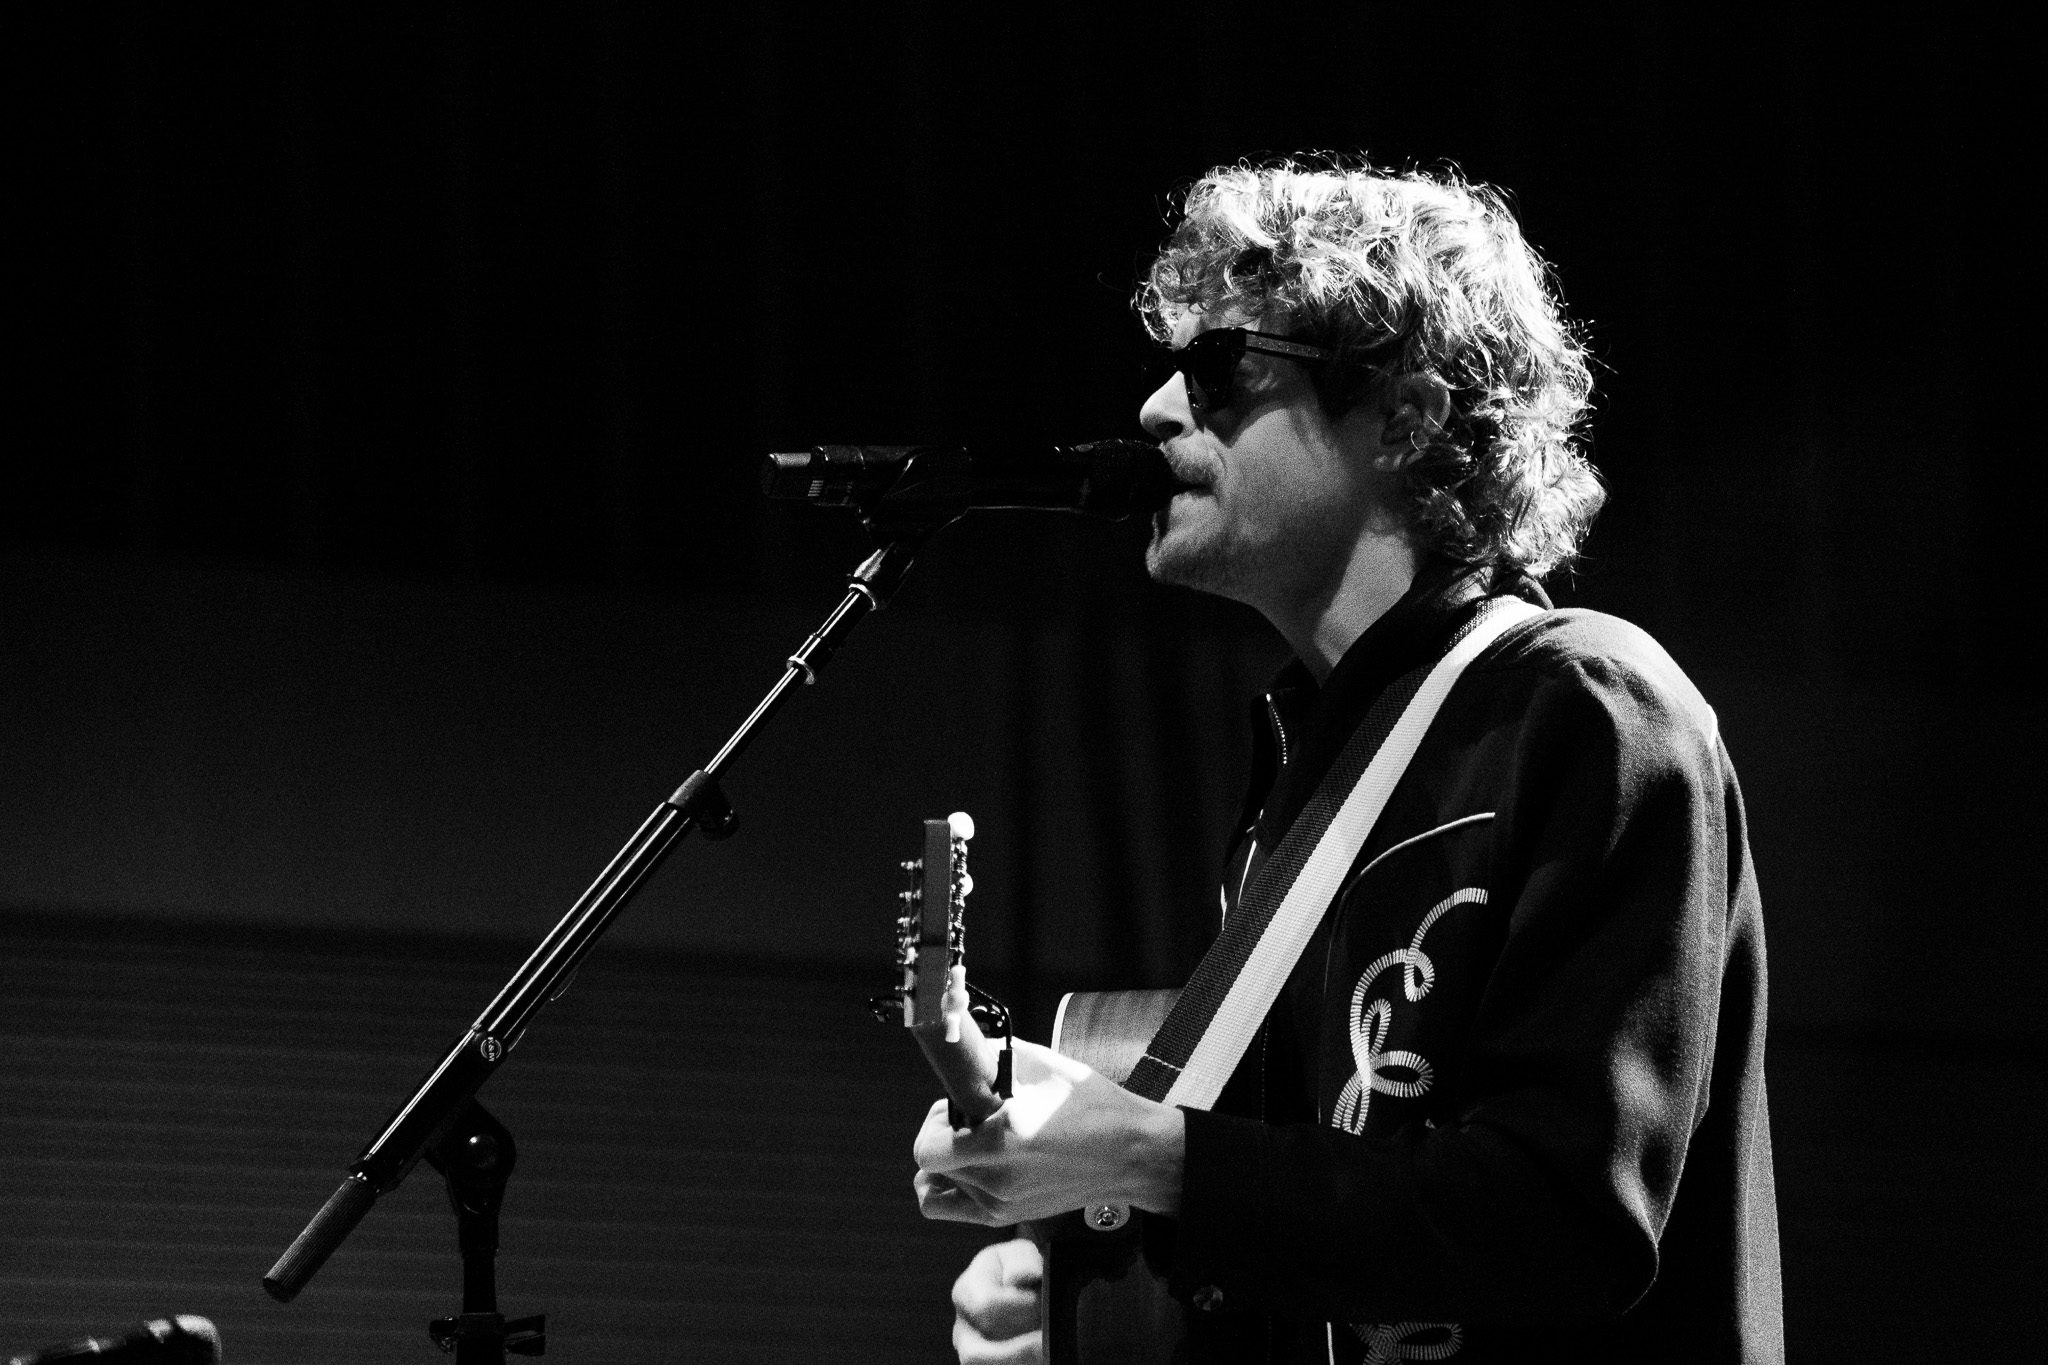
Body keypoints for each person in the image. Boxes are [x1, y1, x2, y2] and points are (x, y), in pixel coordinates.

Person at [912, 157, 1782, 1363]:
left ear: (1408, 416)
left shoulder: (1586, 705)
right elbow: (1322, 1214)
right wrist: (1093, 1303)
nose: (1160, 410)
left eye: (1219, 372)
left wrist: (1142, 1157)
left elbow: (1567, 1220)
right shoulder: (1307, 768)